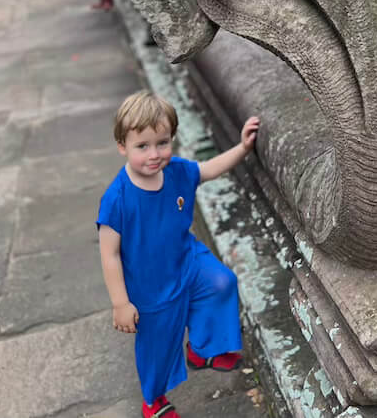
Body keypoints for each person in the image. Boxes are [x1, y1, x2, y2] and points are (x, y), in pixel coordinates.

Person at [97, 90, 260, 418]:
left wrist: (242, 148)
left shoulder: (176, 172)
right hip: (150, 287)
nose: (154, 154)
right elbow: (110, 254)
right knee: (158, 344)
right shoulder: (117, 199)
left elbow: (209, 169)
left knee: (221, 282)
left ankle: (201, 350)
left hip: (186, 261)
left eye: (162, 142)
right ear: (122, 147)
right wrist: (120, 303)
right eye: (142, 146)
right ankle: (153, 399)